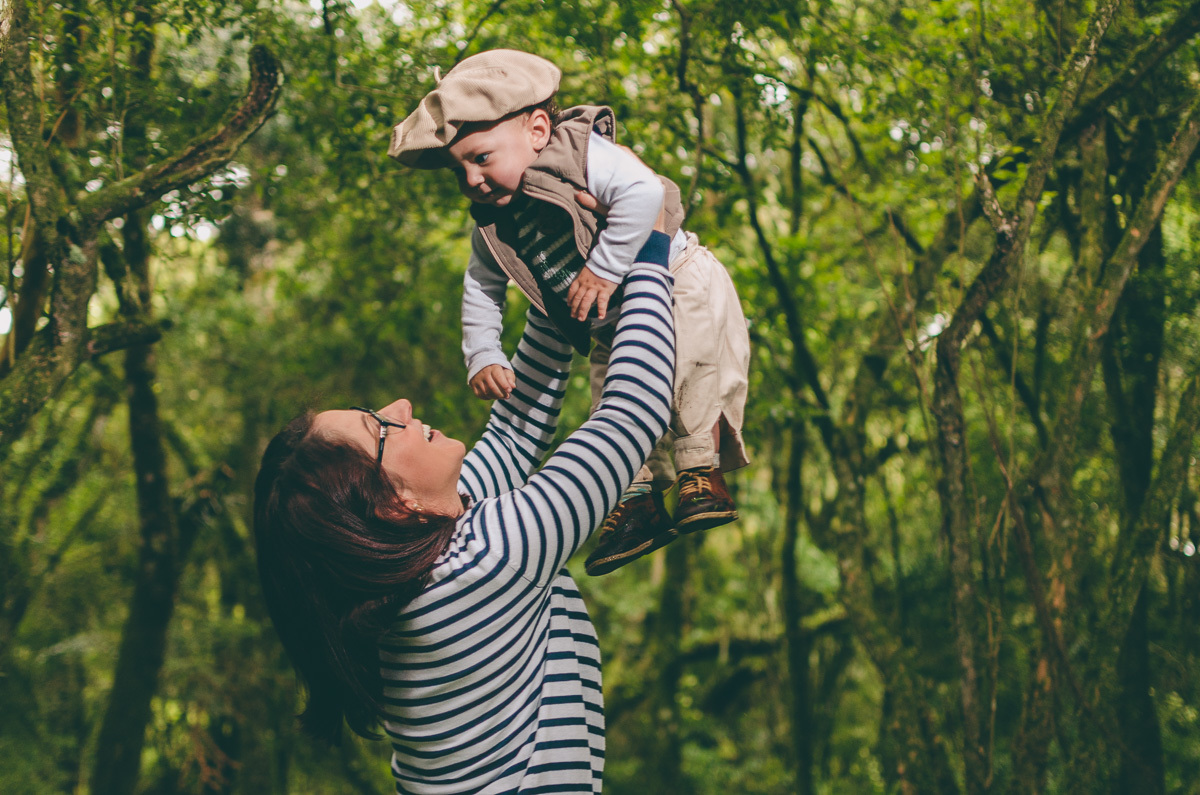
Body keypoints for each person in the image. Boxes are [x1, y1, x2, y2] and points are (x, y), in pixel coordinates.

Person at [253, 207, 675, 792]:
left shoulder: (426, 562)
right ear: (390, 505)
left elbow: (514, 431)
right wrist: (650, 248)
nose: (400, 408)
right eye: (380, 429)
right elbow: (630, 416)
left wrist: (557, 271)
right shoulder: (482, 565)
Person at [388, 49, 751, 575]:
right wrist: (483, 352)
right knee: (611, 402)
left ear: (537, 129)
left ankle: (700, 473)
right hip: (612, 322)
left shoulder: (579, 152)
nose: (471, 179)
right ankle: (637, 500)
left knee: (691, 376)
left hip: (676, 280)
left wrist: (603, 269)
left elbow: (646, 192)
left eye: (482, 158)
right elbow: (482, 284)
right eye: (458, 169)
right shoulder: (494, 222)